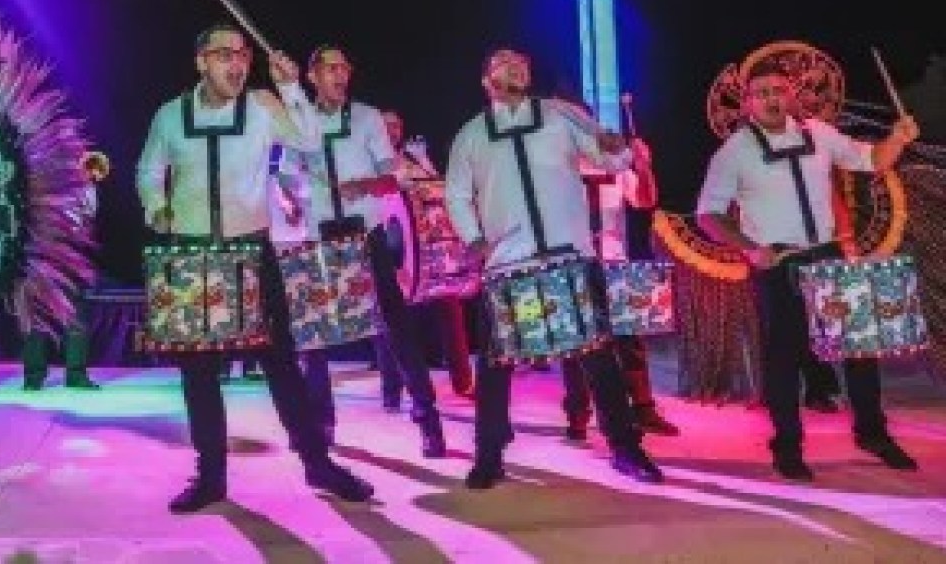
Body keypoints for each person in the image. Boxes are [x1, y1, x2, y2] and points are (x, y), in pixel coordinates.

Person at [137, 24, 374, 513]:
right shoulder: (170, 115)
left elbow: (309, 141)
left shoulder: (264, 106)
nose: (237, 63)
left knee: (281, 365)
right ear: (201, 61)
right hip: (191, 251)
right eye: (224, 54)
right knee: (199, 372)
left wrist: (290, 86)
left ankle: (317, 463)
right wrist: (156, 204)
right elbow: (147, 169)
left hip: (251, 251)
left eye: (243, 53)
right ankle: (211, 476)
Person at [444, 47, 664, 489]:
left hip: (569, 255)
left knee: (598, 356)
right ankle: (489, 456)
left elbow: (610, 159)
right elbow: (455, 195)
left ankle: (626, 448)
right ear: (486, 79)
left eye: (522, 62)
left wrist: (623, 152)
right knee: (497, 362)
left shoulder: (560, 117)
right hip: (510, 262)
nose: (517, 67)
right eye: (504, 63)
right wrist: (473, 240)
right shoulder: (471, 135)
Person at [697, 57, 920, 480]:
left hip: (828, 256)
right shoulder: (735, 152)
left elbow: (871, 160)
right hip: (780, 264)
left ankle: (873, 434)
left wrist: (899, 139)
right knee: (784, 359)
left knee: (859, 349)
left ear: (791, 95)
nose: (771, 99)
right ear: (746, 105)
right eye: (761, 93)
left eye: (778, 90)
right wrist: (750, 249)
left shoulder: (818, 133)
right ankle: (787, 446)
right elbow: (708, 215)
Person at [282, 47, 446, 456]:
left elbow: (393, 178)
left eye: (344, 67)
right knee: (314, 338)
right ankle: (322, 424)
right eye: (331, 68)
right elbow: (286, 175)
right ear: (312, 75)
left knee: (397, 328)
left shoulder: (367, 117)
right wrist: (297, 198)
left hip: (365, 233)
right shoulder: (299, 120)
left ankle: (428, 418)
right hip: (320, 236)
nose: (340, 75)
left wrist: (364, 186)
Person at [560, 127, 680, 439]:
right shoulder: (557, 168)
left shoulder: (613, 164)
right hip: (575, 262)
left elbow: (645, 200)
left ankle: (643, 409)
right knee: (577, 343)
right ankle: (578, 414)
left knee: (631, 341)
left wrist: (643, 167)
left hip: (615, 257)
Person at [379, 109, 475, 403]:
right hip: (392, 248)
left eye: (397, 125)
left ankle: (463, 382)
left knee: (450, 306)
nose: (393, 130)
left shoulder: (412, 158)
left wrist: (422, 160)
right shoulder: (370, 158)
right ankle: (392, 389)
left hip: (429, 249)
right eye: (387, 126)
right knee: (390, 317)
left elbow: (437, 188)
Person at [20, 149, 106, 391]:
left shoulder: (86, 190)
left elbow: (87, 221)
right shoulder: (41, 188)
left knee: (76, 315)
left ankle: (76, 374)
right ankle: (33, 376)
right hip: (42, 257)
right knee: (37, 316)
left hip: (71, 258)